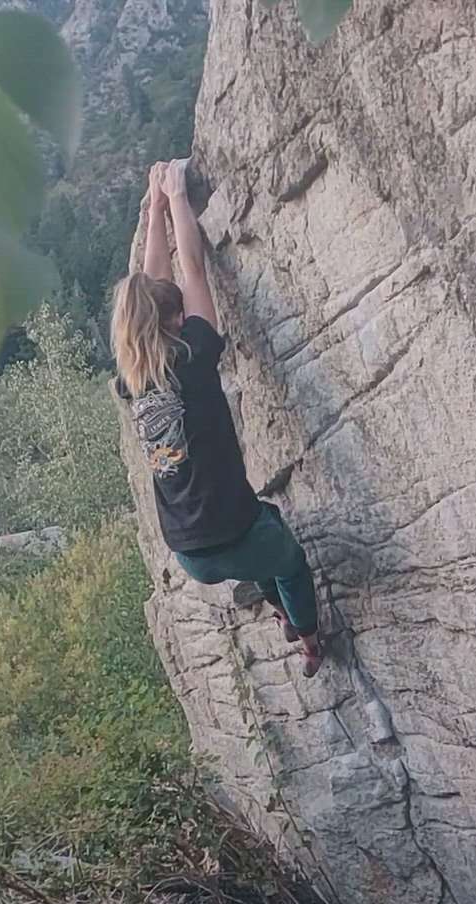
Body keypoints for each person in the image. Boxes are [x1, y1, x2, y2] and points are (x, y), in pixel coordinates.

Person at [111, 159, 323, 678]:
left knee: (262, 531)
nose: (186, 314)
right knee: (287, 561)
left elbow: (156, 288)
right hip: (233, 531)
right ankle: (310, 641)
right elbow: (192, 271)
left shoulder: (132, 378)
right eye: (179, 315)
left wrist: (156, 208)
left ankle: (278, 610)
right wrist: (179, 199)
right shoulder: (195, 353)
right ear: (174, 325)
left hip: (190, 552)